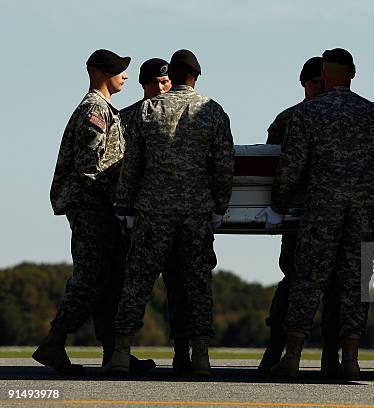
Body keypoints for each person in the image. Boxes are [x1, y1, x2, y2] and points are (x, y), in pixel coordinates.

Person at [258, 48, 374, 379]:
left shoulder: (307, 115)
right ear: (352, 73)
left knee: (307, 280)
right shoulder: (373, 114)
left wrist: (277, 205)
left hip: (321, 209)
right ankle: (350, 358)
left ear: (324, 74)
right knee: (354, 283)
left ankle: (292, 356)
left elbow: (290, 167)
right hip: (363, 211)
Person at [107, 49, 234, 377]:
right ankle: (200, 356)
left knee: (137, 281)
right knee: (197, 282)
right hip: (196, 211)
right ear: (196, 76)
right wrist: (220, 205)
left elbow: (132, 163)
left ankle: (121, 353)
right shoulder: (213, 111)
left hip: (153, 210)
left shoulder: (149, 109)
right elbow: (223, 165)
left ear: (172, 77)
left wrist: (124, 206)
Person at [34, 49, 154, 375]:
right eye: (119, 70)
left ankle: (113, 353)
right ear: (100, 73)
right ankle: (54, 342)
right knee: (90, 277)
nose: (126, 75)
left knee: (111, 278)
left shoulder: (106, 110)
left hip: (102, 209)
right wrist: (119, 202)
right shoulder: (93, 110)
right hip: (93, 208)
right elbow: (92, 167)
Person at [258, 57, 342, 377]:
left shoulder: (300, 117)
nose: (320, 89)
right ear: (305, 83)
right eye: (316, 82)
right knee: (295, 282)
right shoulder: (289, 119)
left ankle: (328, 354)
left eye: (324, 82)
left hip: (315, 214)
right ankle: (277, 347)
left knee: (331, 285)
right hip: (302, 219)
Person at [119, 58, 192, 374]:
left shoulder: (186, 111)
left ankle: (183, 352)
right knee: (133, 286)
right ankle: (120, 353)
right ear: (144, 85)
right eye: (156, 83)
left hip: (177, 215)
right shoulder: (128, 118)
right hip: (142, 216)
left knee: (182, 286)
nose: (163, 88)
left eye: (166, 82)